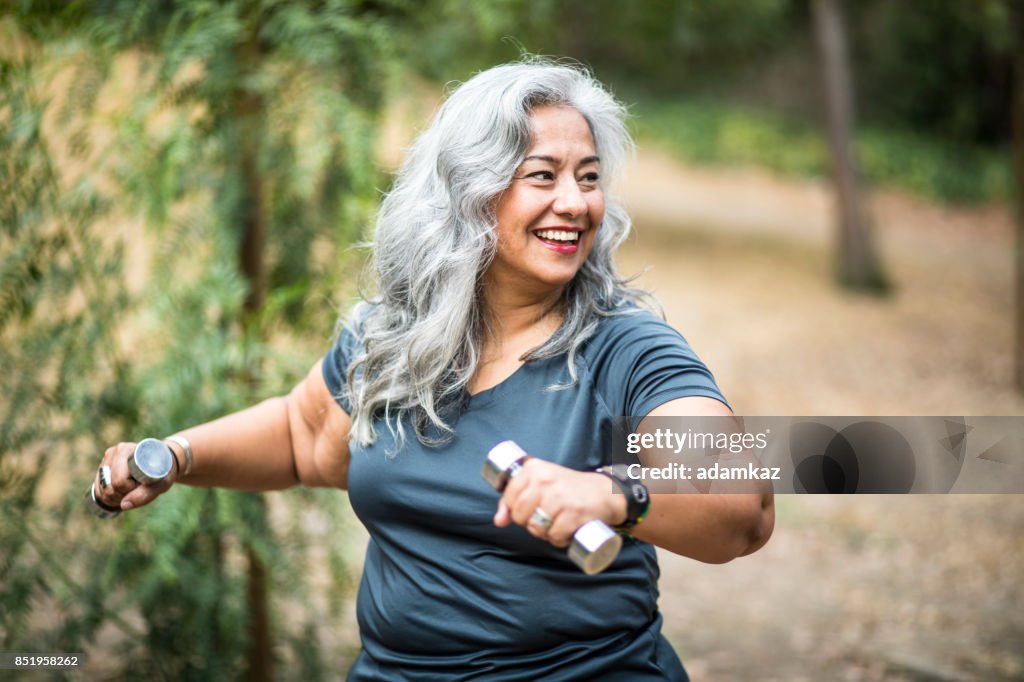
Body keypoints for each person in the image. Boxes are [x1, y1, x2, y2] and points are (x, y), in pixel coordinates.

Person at [92, 59, 774, 680]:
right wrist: (176, 456)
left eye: (588, 177)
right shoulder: (392, 336)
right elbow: (304, 438)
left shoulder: (627, 351)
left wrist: (614, 496)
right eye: (544, 175)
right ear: (471, 192)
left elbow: (744, 508)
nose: (576, 202)